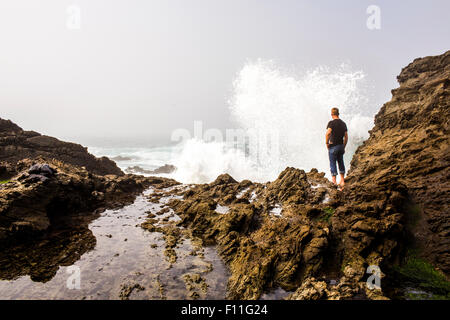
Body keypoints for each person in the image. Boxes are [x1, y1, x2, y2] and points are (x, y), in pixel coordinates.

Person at [325, 107, 348, 189]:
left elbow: (328, 133)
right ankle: (342, 181)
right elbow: (346, 137)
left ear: (332, 114)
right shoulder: (343, 123)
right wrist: (343, 146)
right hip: (341, 146)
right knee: (341, 162)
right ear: (338, 114)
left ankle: (334, 181)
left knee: (332, 163)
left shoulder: (331, 123)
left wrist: (326, 143)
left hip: (333, 146)